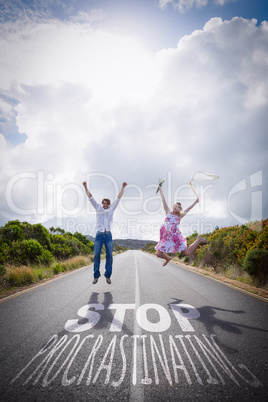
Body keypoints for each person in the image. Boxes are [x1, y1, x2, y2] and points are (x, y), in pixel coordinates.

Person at [83, 181, 127, 284]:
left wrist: (123, 188)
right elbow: (90, 198)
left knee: (109, 256)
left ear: (109, 204)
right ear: (102, 203)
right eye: (104, 203)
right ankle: (96, 275)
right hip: (99, 234)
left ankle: (107, 276)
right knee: (96, 254)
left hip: (108, 235)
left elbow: (118, 198)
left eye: (107, 203)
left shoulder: (112, 209)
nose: (105, 205)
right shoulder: (98, 208)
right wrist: (85, 187)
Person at [155, 184, 209, 266]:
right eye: (176, 206)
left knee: (187, 253)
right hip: (166, 237)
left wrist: (195, 202)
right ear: (173, 206)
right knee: (158, 254)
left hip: (175, 237)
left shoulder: (179, 216)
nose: (177, 208)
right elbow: (163, 201)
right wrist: (160, 190)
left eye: (179, 207)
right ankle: (168, 258)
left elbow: (189, 209)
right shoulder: (168, 212)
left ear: (180, 209)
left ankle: (198, 240)